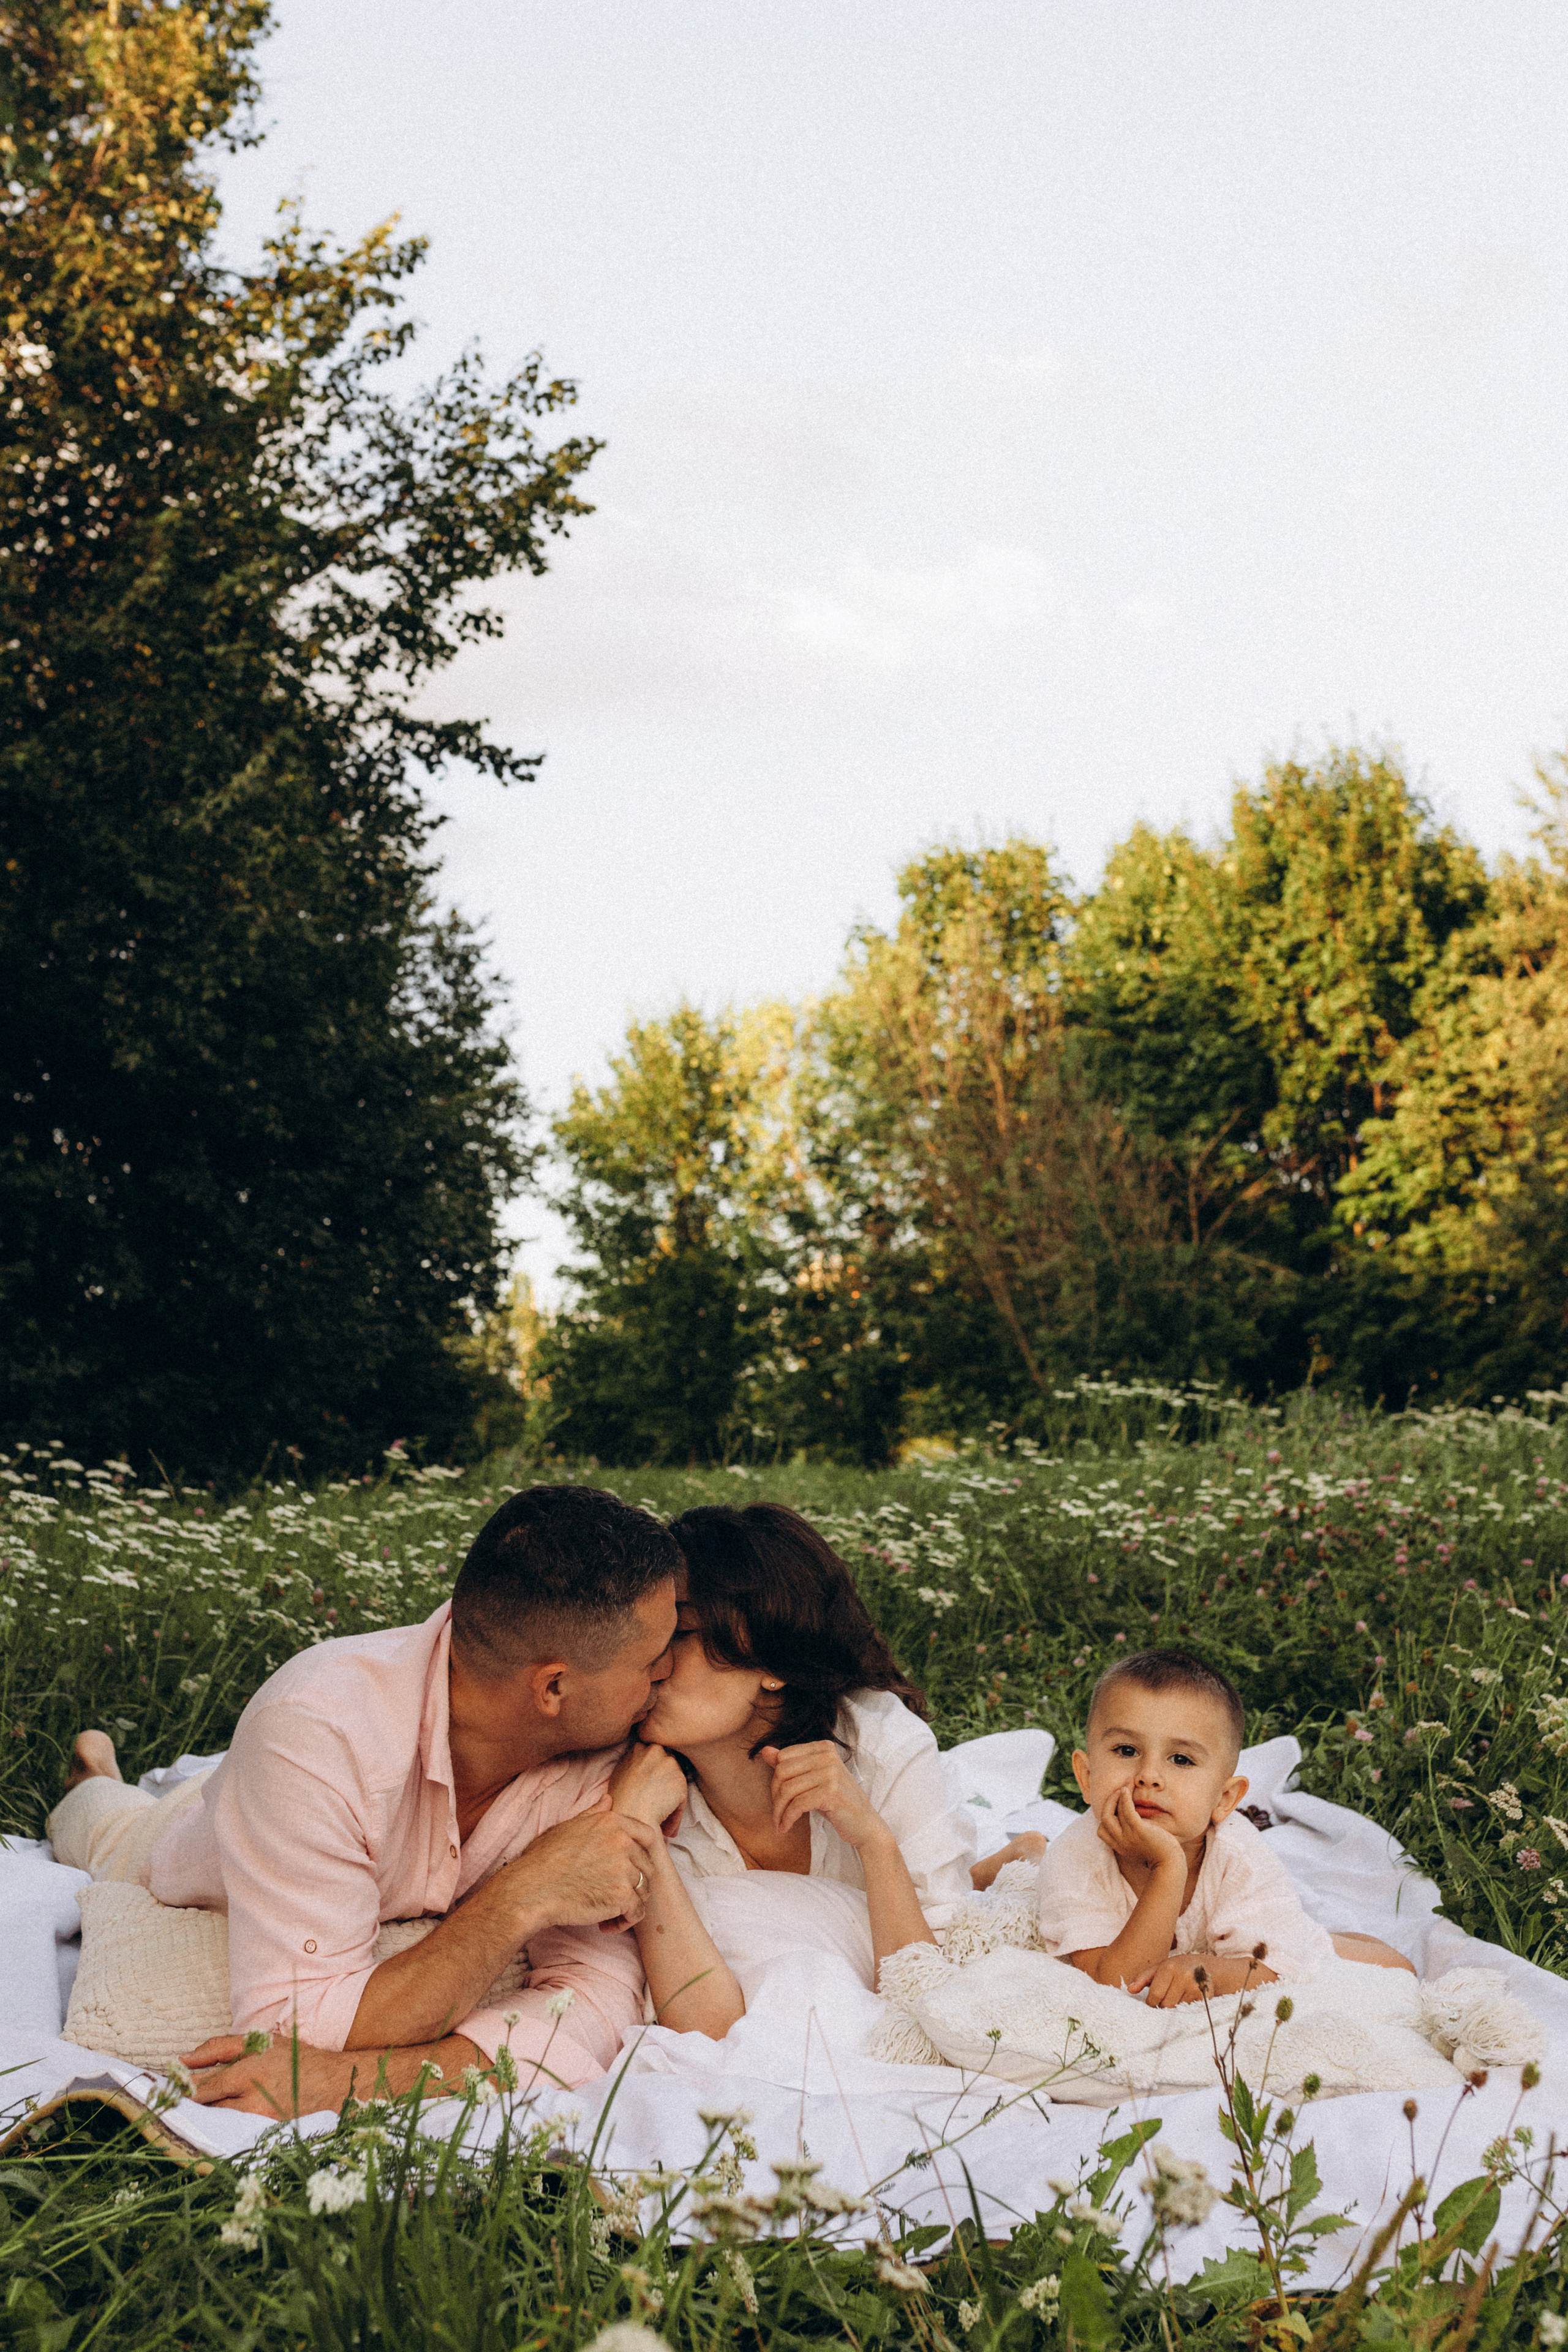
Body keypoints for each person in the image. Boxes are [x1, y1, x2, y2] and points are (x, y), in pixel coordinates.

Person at [48, 1485, 679, 2115]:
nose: (670, 1672)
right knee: (110, 1831)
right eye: (654, 1660)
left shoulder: (609, 1755)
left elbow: (601, 1998)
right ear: (554, 1688)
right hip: (210, 1838)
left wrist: (350, 2082)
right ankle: (93, 1777)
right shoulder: (316, 1731)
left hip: (307, 1808)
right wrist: (525, 1893)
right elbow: (295, 2028)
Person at [606, 1501, 1046, 2038]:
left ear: (769, 1659)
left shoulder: (882, 1747)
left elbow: (930, 1989)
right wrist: (636, 1832)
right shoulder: (636, 1783)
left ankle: (995, 1865)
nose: (651, 1661)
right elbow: (708, 2025)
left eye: (679, 1633)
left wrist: (875, 1843)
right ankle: (983, 1869)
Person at [1037, 1646, 1412, 2007]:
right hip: (1198, 1931)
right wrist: (1170, 1868)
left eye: (1181, 1759)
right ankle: (1030, 1848)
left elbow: (1271, 1969)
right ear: (1087, 1777)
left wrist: (1214, 1973)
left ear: (1224, 1799)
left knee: (1395, 1970)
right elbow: (1115, 1984)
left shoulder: (1237, 1851)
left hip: (1263, 1931)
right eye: (1126, 1750)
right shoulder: (1076, 1856)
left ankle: (1324, 1934)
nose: (1148, 1776)